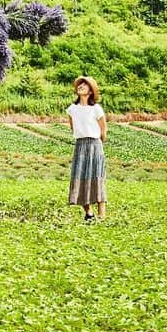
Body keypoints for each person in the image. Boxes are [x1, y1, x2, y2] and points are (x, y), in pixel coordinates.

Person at [67, 75, 107, 222]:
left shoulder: (96, 108)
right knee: (80, 177)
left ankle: (102, 215)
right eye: (80, 85)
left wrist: (98, 143)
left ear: (90, 91)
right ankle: (88, 212)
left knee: (97, 177)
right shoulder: (72, 109)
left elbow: (103, 129)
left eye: (84, 85)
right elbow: (73, 127)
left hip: (95, 145)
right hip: (80, 145)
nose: (81, 87)